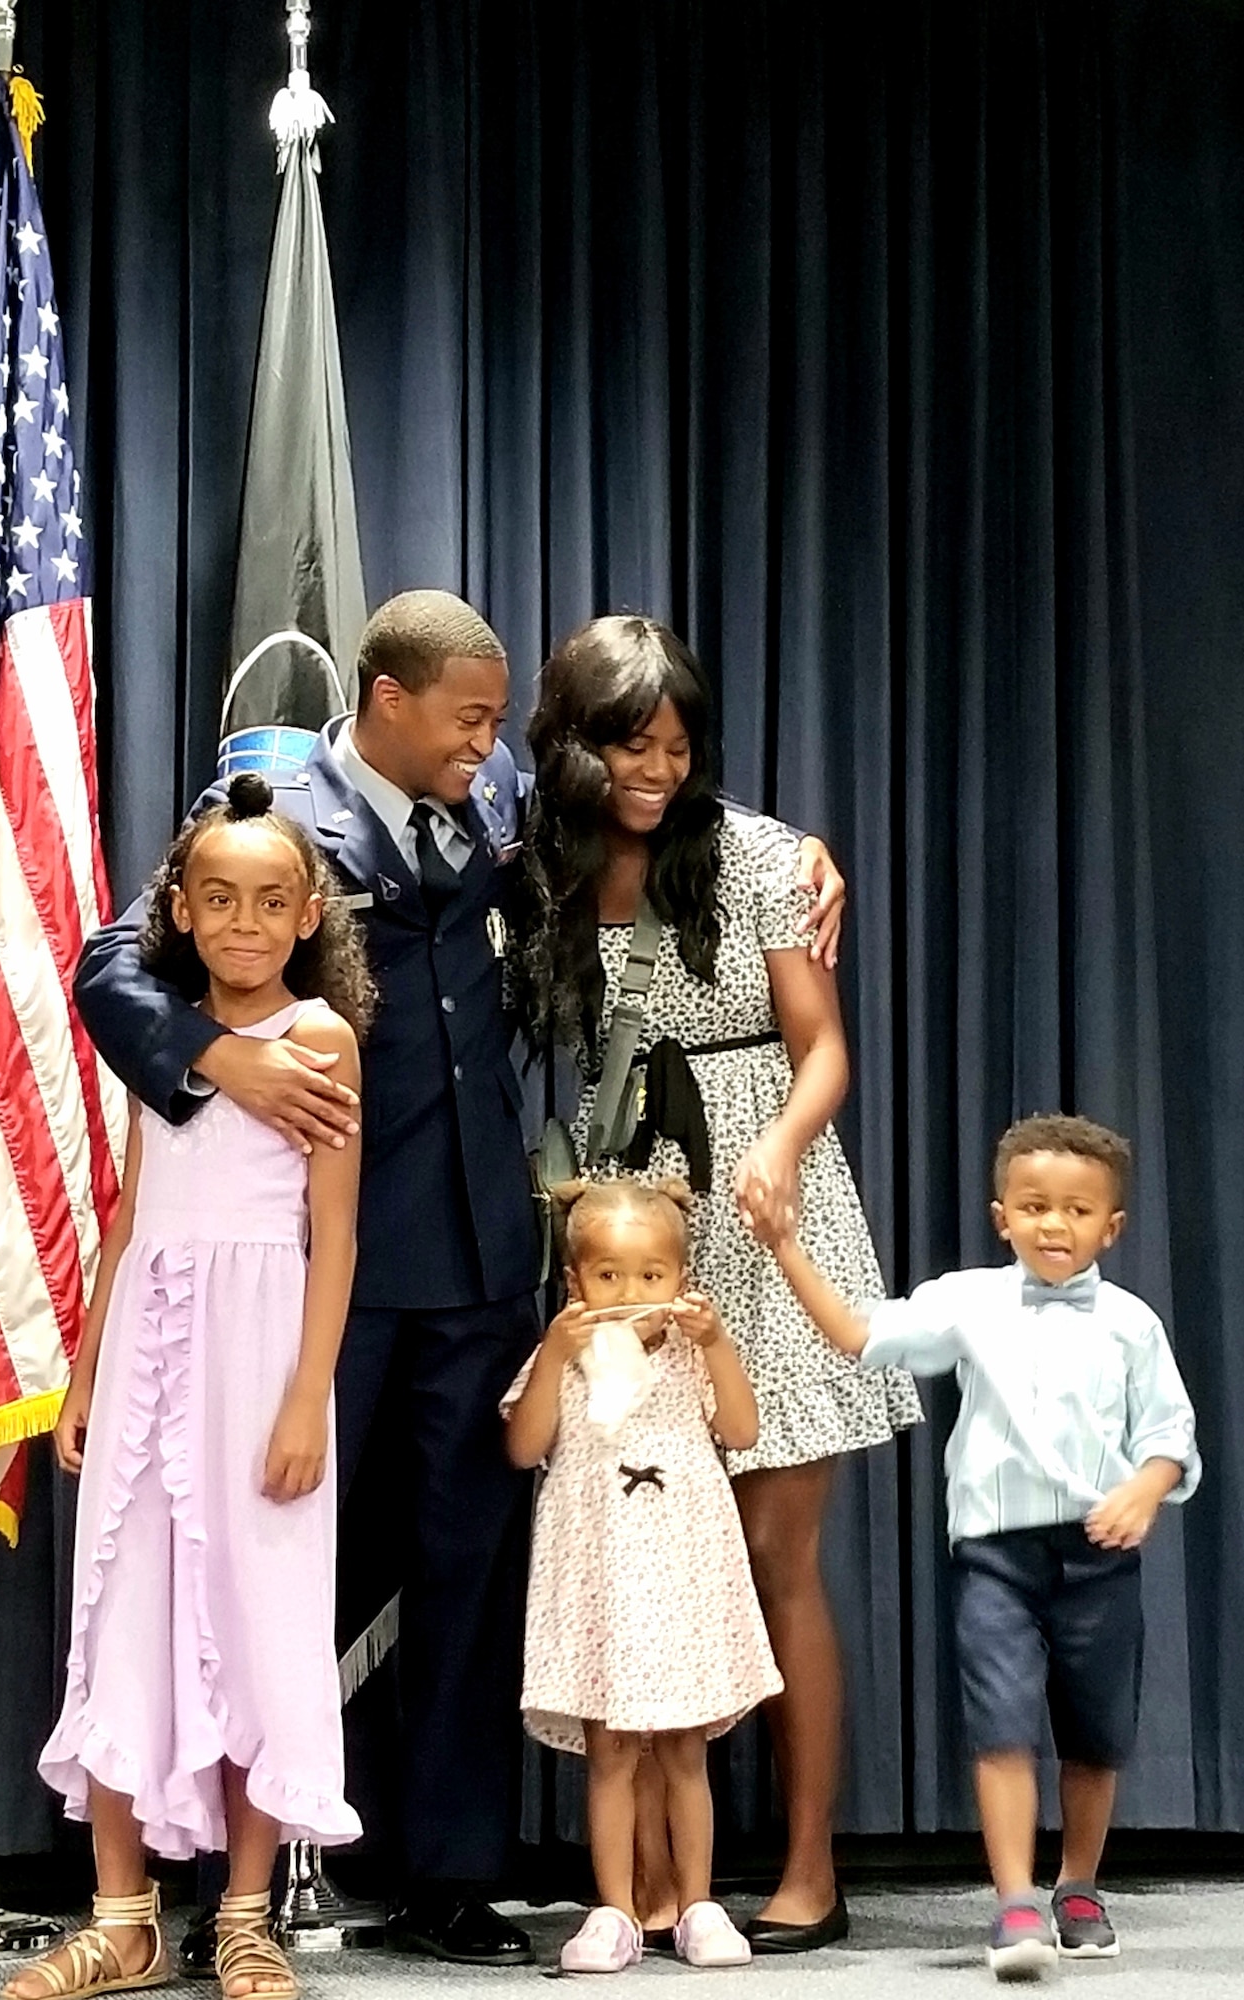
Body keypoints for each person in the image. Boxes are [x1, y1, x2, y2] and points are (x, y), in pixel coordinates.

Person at [74, 591, 848, 1967]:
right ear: (388, 700)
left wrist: (803, 859)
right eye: (471, 718)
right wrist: (217, 1056)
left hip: (484, 1252)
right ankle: (231, 1889)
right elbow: (113, 964)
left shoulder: (495, 804)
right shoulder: (274, 795)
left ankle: (449, 1874)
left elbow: (648, 815)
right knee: (269, 1571)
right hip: (325, 1259)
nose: (490, 744)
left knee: (466, 1573)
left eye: (499, 723)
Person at [514, 614, 921, 1952]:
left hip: (764, 1202)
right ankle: (632, 1886)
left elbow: (823, 1051)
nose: (660, 770)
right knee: (629, 1546)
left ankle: (807, 1868)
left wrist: (779, 1147)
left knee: (773, 1552)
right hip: (628, 1218)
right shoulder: (545, 869)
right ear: (576, 746)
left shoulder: (756, 858)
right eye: (633, 744)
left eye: (679, 746)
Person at [7, 773, 370, 2000]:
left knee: (258, 1619)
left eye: (271, 901)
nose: (244, 923)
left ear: (310, 913)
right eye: (217, 899)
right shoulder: (158, 1036)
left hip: (262, 1354)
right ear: (182, 909)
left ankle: (245, 1919)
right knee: (123, 1615)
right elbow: (126, 1217)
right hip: (149, 1358)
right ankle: (123, 1917)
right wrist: (84, 1375)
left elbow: (336, 1233)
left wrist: (305, 1393)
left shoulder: (316, 1038)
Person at [754, 1113, 1200, 1981]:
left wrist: (1143, 1490)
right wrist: (785, 1246)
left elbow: (1169, 1437)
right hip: (997, 1557)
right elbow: (857, 1336)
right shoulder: (966, 1301)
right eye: (1033, 1206)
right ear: (1002, 1217)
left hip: (1099, 1560)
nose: (1052, 1225)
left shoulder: (1131, 1324)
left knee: (1095, 1735)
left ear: (1110, 1227)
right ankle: (1013, 1903)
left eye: (1075, 1211)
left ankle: (1076, 1884)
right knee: (999, 1724)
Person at [503, 1179, 780, 1973]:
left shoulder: (694, 1353)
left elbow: (740, 1429)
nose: (631, 1293)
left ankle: (697, 1906)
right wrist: (555, 1351)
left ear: (681, 1283)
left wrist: (718, 1342)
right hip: (599, 1586)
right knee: (612, 1753)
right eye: (610, 1276)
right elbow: (523, 1449)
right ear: (575, 1283)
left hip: (683, 1578)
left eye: (651, 1276)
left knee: (685, 1753)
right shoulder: (563, 1357)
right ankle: (615, 1910)